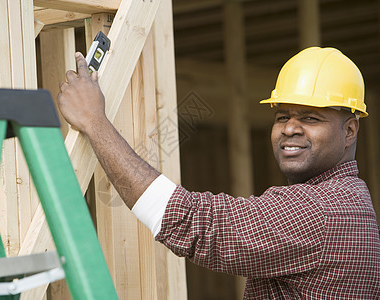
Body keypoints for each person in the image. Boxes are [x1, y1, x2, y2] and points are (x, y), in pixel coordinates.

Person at [58, 47, 380, 299]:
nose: (289, 129)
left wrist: (94, 121)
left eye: (310, 118)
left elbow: (188, 220)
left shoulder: (320, 209)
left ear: (349, 130)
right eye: (282, 117)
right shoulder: (349, 200)